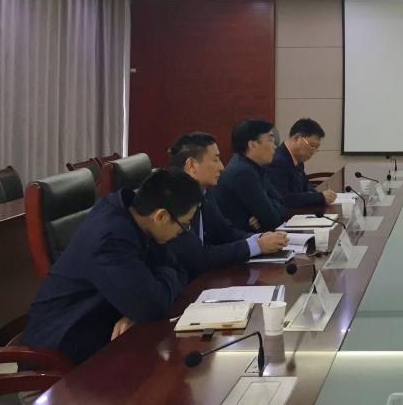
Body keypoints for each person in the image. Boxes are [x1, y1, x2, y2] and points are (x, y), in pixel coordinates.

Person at [23, 167, 202, 363]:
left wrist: (136, 308)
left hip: (101, 331)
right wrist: (141, 303)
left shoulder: (139, 221)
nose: (182, 232)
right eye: (184, 225)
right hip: (60, 353)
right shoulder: (109, 238)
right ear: (161, 216)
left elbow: (179, 270)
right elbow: (153, 305)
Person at [166, 131, 288, 275]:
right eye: (215, 160)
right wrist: (255, 246)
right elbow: (197, 257)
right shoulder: (172, 199)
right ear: (192, 165)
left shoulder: (204, 190)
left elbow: (224, 231)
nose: (222, 167)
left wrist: (259, 239)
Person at [215, 118, 287, 233]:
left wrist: (268, 212)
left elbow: (282, 203)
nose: (275, 146)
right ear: (252, 145)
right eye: (270, 140)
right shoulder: (243, 172)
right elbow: (272, 220)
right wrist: (269, 213)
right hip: (241, 239)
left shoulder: (253, 167)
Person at [266, 118, 338, 208]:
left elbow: (305, 184)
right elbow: (284, 199)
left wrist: (318, 194)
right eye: (312, 146)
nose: (313, 152)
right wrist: (320, 197)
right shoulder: (277, 161)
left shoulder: (297, 159)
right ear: (297, 138)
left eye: (316, 148)